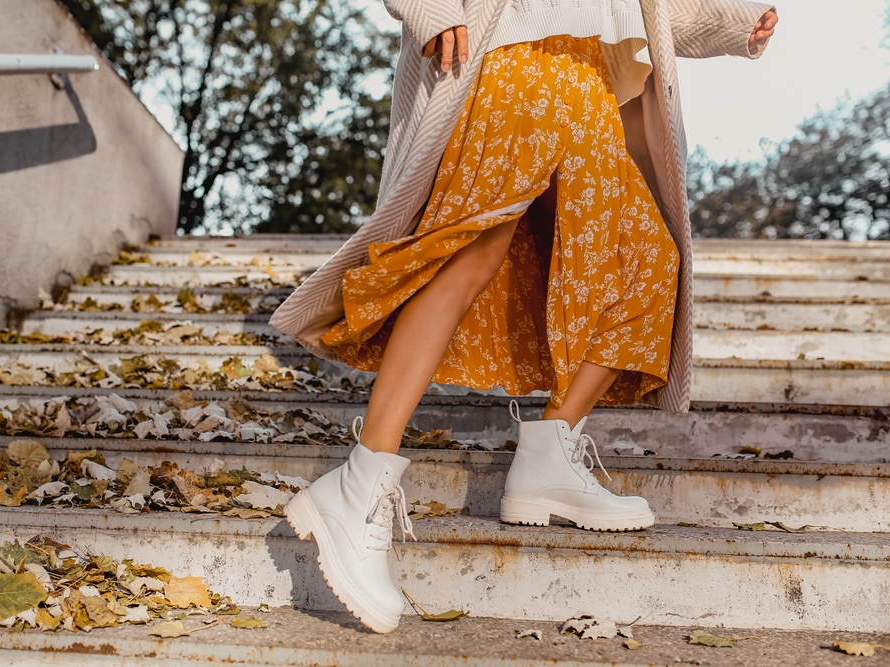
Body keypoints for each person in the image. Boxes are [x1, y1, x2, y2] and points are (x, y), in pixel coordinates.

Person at [271, 0, 778, 634]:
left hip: (589, 73)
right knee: (471, 246)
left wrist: (733, 25)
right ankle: (360, 481)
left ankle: (548, 453)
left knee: (647, 260)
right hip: (506, 53)